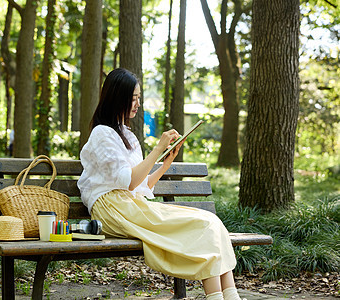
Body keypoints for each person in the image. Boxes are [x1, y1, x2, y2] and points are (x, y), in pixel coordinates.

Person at [77, 68, 242, 300]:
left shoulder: (127, 135)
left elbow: (141, 185)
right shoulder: (101, 135)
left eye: (139, 97)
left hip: (130, 205)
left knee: (211, 222)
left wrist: (165, 164)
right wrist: (157, 148)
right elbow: (130, 181)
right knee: (203, 225)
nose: (137, 103)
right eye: (133, 97)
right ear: (118, 97)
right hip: (113, 210)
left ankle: (230, 296)